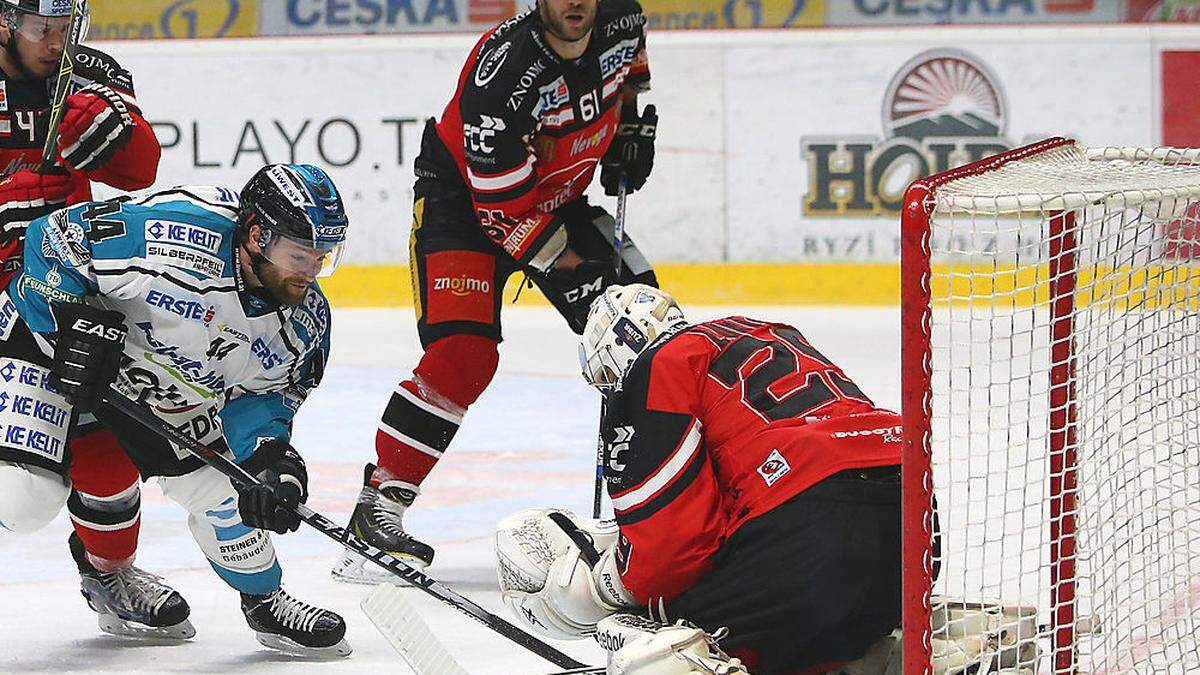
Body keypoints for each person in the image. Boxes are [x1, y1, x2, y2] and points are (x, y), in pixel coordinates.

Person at [333, 0, 661, 583]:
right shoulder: (504, 72)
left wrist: (630, 130)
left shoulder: (623, 17)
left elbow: (629, 76)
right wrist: (570, 264)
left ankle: (660, 509)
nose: (575, 3)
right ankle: (379, 505)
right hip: (464, 206)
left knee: (647, 337)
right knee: (463, 353)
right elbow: (499, 210)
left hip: (559, 198)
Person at [0, 164, 351, 657]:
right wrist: (69, 322)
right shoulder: (173, 233)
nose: (310, 273)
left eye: (322, 258)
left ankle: (265, 601)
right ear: (257, 235)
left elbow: (263, 398)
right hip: (48, 344)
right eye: (299, 256)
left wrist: (272, 460)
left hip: (152, 374)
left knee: (231, 488)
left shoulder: (304, 324)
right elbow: (54, 237)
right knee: (24, 498)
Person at [494, 285, 905, 675]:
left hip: (809, 527)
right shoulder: (766, 335)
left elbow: (671, 546)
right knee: (813, 637)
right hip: (912, 523)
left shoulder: (657, 365)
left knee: (651, 638)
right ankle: (890, 656)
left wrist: (605, 591)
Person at [0, 0, 176, 638]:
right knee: (17, 490)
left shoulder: (89, 74)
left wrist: (106, 121)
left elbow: (140, 172)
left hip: (60, 291)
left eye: (67, 27)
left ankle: (109, 574)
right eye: (45, 28)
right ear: (3, 24)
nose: (58, 41)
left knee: (108, 449)